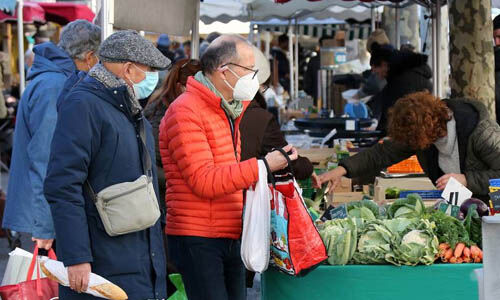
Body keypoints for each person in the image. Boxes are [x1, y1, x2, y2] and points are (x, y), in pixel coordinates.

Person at [159, 34, 298, 300]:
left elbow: (227, 171)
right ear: (224, 71)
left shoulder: (227, 108)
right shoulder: (185, 111)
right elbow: (204, 180)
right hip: (198, 237)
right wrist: (263, 165)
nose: (254, 78)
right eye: (249, 70)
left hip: (229, 230)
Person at [44, 30, 169, 299]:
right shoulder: (84, 104)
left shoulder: (128, 108)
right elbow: (62, 185)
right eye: (147, 70)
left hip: (135, 254)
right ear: (128, 68)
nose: (151, 78)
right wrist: (77, 257)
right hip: (103, 258)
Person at [3, 20, 100, 252]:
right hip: (40, 220)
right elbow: (46, 159)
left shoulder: (55, 80)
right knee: (40, 288)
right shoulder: (54, 86)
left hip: (42, 214)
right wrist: (45, 226)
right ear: (89, 56)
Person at [315, 91, 500, 201]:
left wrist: (467, 180)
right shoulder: (424, 133)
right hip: (465, 209)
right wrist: (342, 169)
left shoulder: (482, 132)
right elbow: (383, 153)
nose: (408, 145)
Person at [240, 46, 314, 289]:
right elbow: (288, 160)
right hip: (244, 212)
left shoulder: (223, 112)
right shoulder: (259, 118)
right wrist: (306, 166)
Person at [144, 58, 201, 297]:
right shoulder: (165, 111)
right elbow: (157, 162)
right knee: (171, 270)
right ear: (181, 86)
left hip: (168, 201)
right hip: (166, 202)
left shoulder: (161, 104)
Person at [368, 42, 432, 133]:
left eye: (377, 72)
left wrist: (380, 132)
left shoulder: (401, 81)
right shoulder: (407, 73)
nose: (379, 76)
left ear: (384, 64)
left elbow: (392, 112)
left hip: (413, 134)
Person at [304, 35, 332, 101]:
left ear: (320, 45)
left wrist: (310, 93)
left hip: (316, 97)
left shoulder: (313, 60)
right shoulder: (336, 61)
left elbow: (307, 82)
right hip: (332, 98)